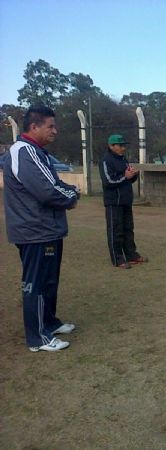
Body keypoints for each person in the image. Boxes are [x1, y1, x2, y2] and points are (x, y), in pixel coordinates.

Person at [3, 105, 80, 352]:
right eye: (50, 126)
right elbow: (49, 190)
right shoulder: (25, 152)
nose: (55, 131)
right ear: (33, 127)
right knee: (35, 283)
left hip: (46, 229)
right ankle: (38, 338)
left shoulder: (37, 153)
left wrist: (68, 191)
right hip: (35, 231)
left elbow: (54, 183)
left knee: (48, 281)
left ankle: (48, 322)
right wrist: (72, 194)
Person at [100, 133, 147, 269]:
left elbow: (128, 179)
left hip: (126, 201)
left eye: (123, 145)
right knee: (116, 230)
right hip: (113, 202)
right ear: (111, 146)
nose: (123, 148)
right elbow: (108, 181)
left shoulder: (123, 160)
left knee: (128, 229)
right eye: (120, 146)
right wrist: (125, 177)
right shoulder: (105, 161)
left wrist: (133, 175)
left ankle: (131, 255)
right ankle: (117, 258)